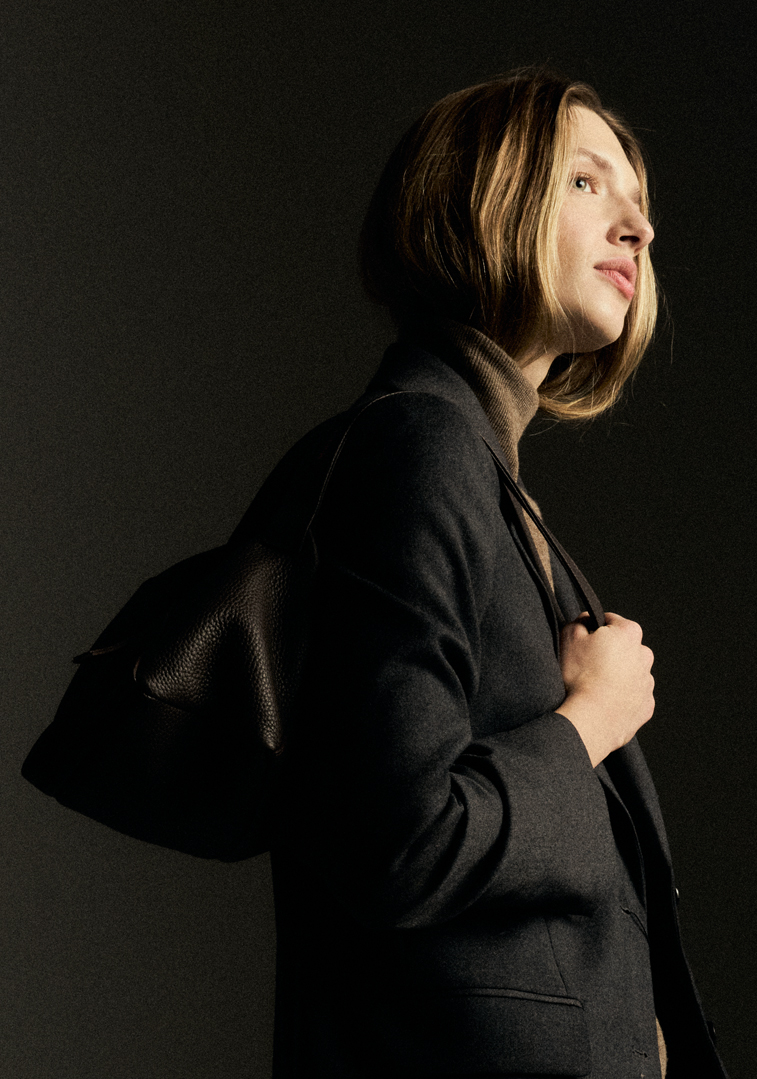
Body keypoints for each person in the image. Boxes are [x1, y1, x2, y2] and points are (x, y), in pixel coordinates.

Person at [268, 67, 729, 1078]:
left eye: (637, 203)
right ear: (482, 197)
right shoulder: (419, 447)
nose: (638, 228)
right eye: (584, 182)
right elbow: (403, 839)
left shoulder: (478, 473)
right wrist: (591, 719)